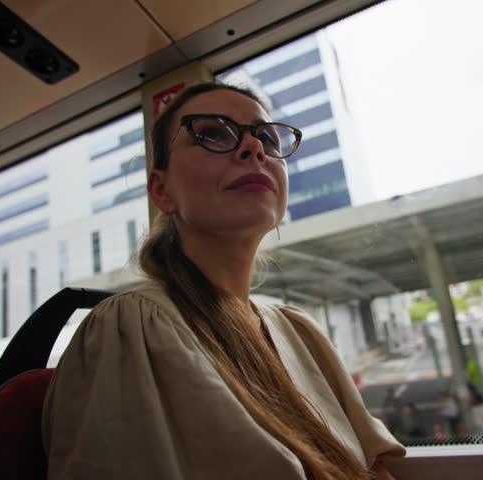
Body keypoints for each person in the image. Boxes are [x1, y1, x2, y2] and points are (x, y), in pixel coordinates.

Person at [42, 83, 405, 480]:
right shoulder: (131, 327)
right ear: (162, 191)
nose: (255, 148)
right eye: (212, 133)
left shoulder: (302, 332)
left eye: (266, 136)